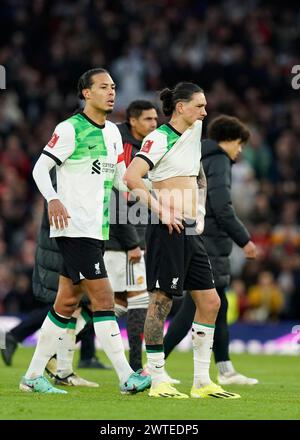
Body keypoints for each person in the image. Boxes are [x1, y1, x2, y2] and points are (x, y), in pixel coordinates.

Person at [19, 67, 151, 394]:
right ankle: (126, 377)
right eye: (103, 87)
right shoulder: (70, 129)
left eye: (114, 87)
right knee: (104, 299)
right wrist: (52, 199)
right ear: (86, 93)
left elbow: (122, 180)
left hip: (96, 229)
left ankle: (32, 377)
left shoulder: (111, 134)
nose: (111, 92)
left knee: (65, 304)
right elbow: (40, 168)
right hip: (74, 227)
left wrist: (152, 193)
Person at [124, 82, 240, 399]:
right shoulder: (158, 138)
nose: (205, 111)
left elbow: (196, 174)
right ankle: (156, 377)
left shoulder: (195, 130)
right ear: (180, 108)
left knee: (211, 301)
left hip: (190, 228)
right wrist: (161, 210)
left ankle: (202, 380)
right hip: (167, 230)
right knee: (161, 302)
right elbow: (132, 178)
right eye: (199, 105)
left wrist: (199, 208)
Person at [163, 115, 258, 385]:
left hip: (198, 233)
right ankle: (154, 365)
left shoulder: (198, 155)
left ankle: (225, 369)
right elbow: (221, 206)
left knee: (218, 303)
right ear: (227, 140)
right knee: (196, 306)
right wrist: (244, 240)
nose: (240, 150)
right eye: (239, 143)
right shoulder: (218, 159)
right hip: (209, 240)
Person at [105, 100, 158, 370]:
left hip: (133, 234)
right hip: (121, 239)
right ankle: (138, 367)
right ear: (133, 122)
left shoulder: (146, 148)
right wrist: (132, 242)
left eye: (155, 119)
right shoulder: (124, 147)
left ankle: (59, 354)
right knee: (137, 300)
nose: (154, 124)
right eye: (148, 119)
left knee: (115, 303)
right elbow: (117, 196)